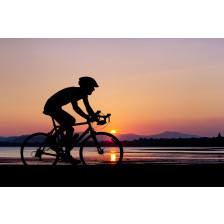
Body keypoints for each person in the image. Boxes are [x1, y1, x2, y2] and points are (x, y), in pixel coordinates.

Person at [43, 76, 99, 163]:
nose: (93, 89)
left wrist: (94, 116)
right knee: (70, 122)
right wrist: (87, 117)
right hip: (51, 107)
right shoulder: (73, 91)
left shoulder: (83, 94)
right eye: (92, 87)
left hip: (56, 107)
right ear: (86, 86)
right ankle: (53, 141)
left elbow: (87, 107)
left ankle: (66, 153)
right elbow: (75, 107)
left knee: (69, 125)